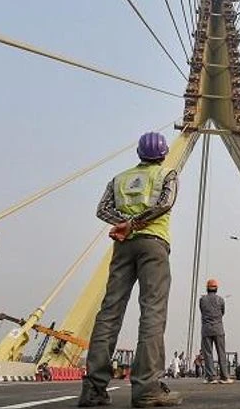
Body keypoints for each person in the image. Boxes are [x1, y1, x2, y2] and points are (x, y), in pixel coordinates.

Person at [78, 131, 182, 408]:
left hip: (123, 248)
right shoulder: (167, 175)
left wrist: (124, 223)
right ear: (163, 154)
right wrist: (136, 224)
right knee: (152, 313)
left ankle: (93, 389)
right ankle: (147, 389)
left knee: (109, 312)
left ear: (138, 153)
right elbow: (165, 203)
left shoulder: (119, 179)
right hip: (154, 245)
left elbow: (102, 210)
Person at [200, 278, 233, 384]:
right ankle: (224, 377)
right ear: (216, 289)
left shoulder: (202, 300)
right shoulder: (220, 300)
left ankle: (211, 377)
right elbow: (222, 312)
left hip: (206, 329)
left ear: (207, 289)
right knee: (221, 353)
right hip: (218, 329)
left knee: (208, 353)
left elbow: (202, 311)